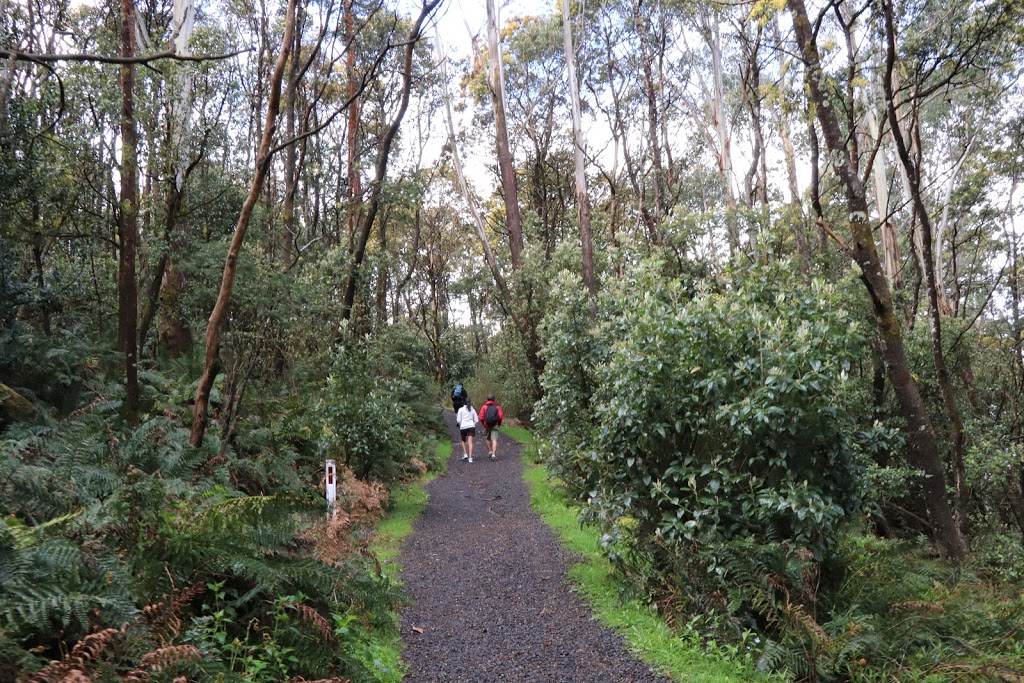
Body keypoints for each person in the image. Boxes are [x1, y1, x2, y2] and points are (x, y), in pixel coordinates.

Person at [478, 394, 504, 460]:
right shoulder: (497, 407)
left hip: (487, 425)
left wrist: (484, 423)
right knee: (494, 440)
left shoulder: (484, 407)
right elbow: (500, 417)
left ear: (487, 399)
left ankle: (490, 451)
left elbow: (481, 417)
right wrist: (498, 424)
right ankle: (493, 455)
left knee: (487, 438)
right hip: (495, 425)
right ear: (494, 400)